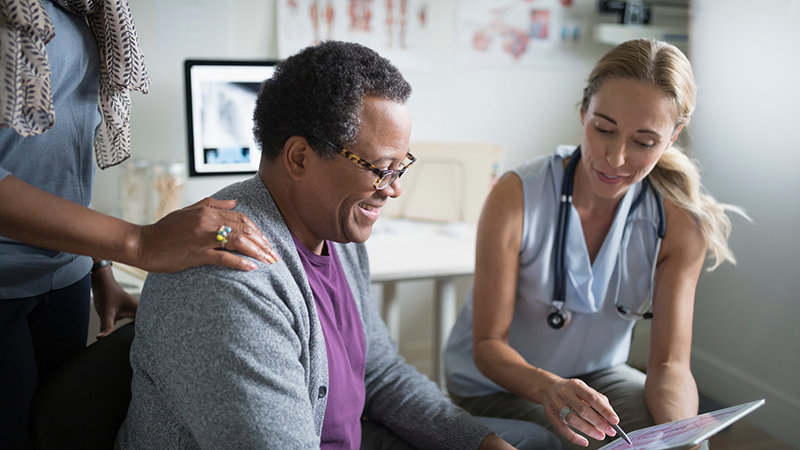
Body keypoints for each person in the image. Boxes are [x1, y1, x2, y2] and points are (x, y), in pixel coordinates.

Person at [115, 40, 562, 450]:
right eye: (380, 168)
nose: (393, 189)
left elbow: (382, 374)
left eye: (400, 167)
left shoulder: (336, 233)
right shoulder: (231, 273)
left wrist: (480, 442)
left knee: (531, 442)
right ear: (300, 158)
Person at [444, 39, 745, 450]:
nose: (615, 158)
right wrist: (550, 388)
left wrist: (682, 437)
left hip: (598, 378)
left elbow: (669, 363)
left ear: (673, 136)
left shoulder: (678, 223)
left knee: (679, 439)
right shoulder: (517, 196)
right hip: (495, 386)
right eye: (603, 129)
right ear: (583, 110)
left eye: (644, 142)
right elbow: (487, 347)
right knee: (569, 442)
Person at [0, 1, 277, 449]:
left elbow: (58, 160)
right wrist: (137, 241)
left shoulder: (83, 8)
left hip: (62, 277)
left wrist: (99, 268)